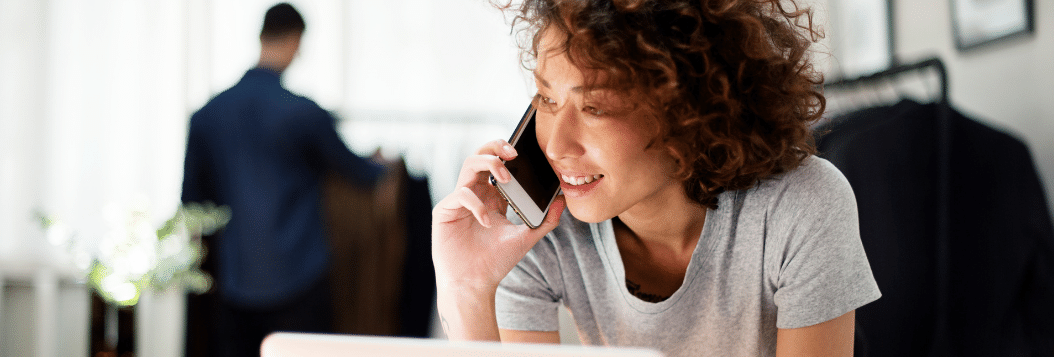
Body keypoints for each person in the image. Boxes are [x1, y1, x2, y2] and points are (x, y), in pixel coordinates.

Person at [431, 0, 881, 356]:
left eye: (595, 108)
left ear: (689, 113)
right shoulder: (539, 230)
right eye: (546, 99)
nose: (556, 146)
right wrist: (467, 288)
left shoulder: (801, 206)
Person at [180, 3, 382, 356]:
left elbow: (192, 201)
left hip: (235, 280)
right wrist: (383, 165)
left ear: (260, 37)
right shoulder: (306, 114)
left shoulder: (207, 116)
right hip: (300, 277)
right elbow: (360, 174)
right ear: (296, 41)